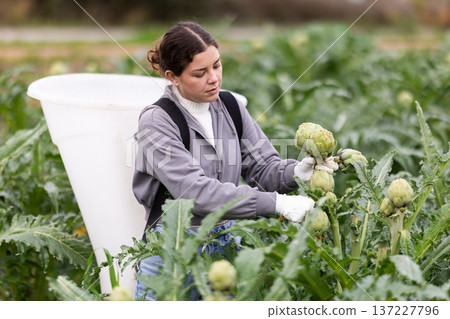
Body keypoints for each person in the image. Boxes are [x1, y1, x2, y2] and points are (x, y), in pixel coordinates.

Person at [132, 21, 337, 300]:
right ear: (173, 76)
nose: (214, 78)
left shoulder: (230, 107)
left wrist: (299, 172)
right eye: (200, 73)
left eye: (216, 66)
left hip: (223, 248)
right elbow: (196, 192)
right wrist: (278, 204)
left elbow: (263, 169)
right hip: (172, 251)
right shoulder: (157, 121)